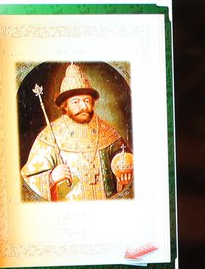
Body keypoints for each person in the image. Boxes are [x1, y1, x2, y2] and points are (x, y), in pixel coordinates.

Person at [21, 63, 133, 201]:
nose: (83, 106)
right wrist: (51, 178)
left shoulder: (106, 130)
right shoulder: (50, 135)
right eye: (76, 102)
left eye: (87, 100)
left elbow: (123, 154)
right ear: (65, 106)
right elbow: (28, 180)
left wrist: (123, 167)